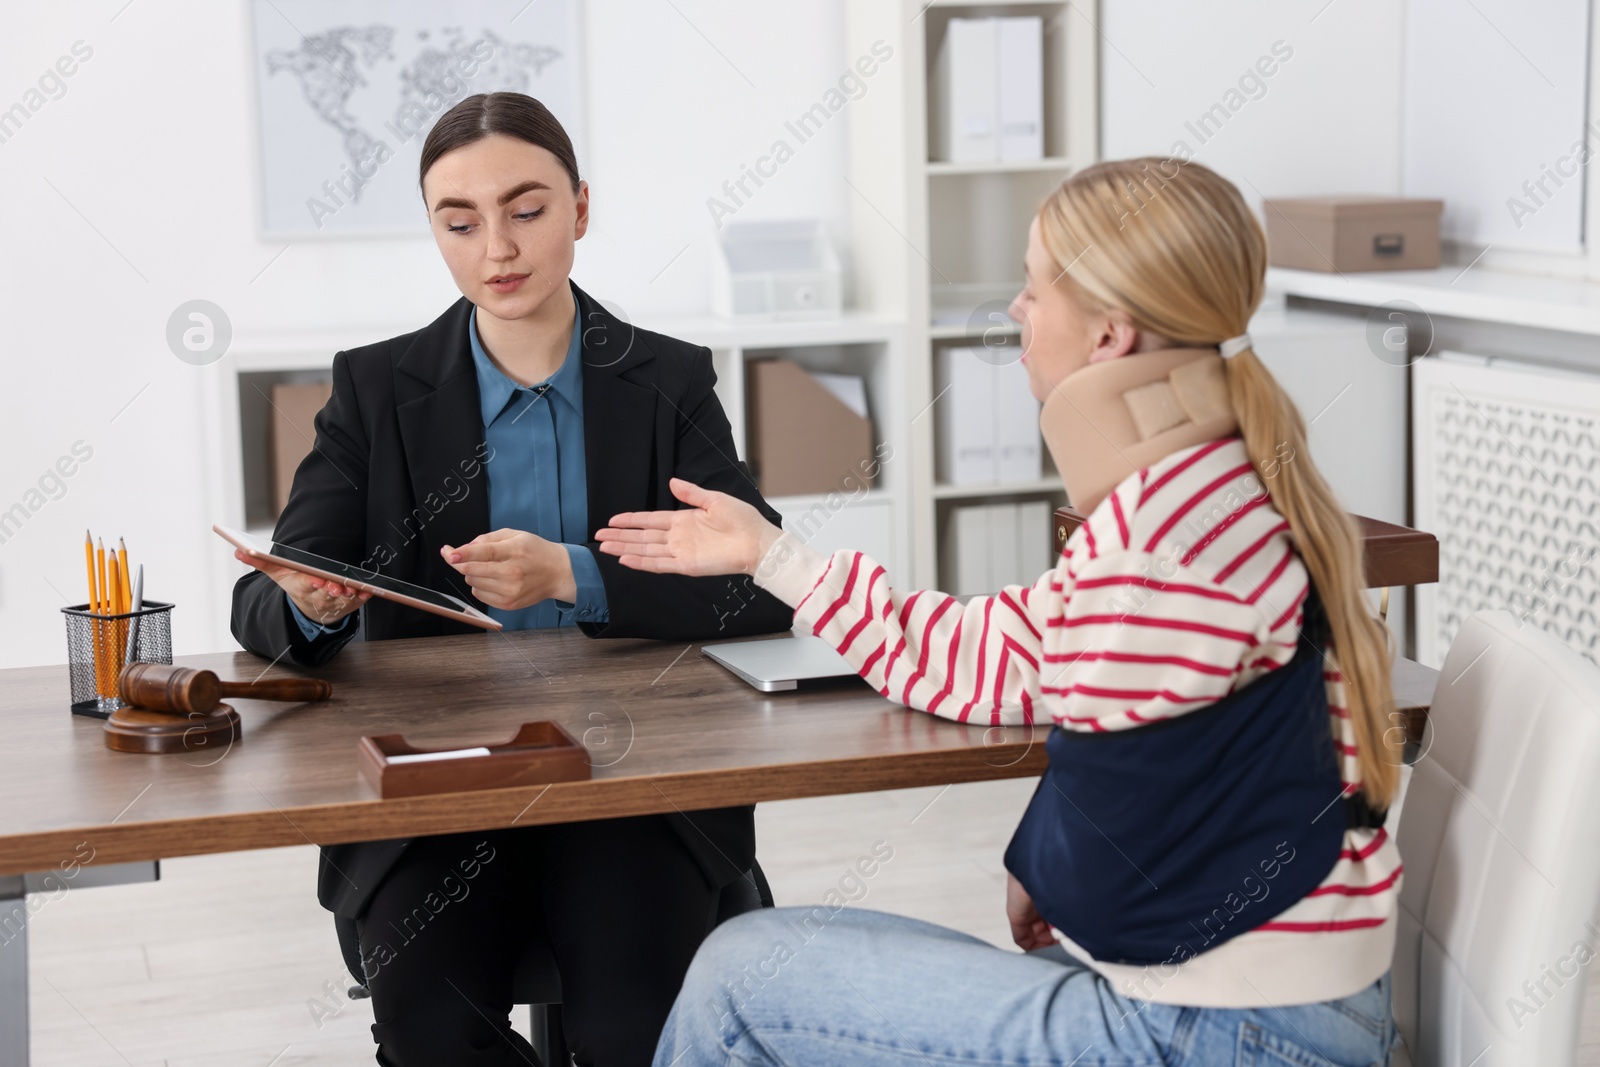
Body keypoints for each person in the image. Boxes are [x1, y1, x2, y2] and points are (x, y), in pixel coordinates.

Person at [598, 158, 1406, 1067]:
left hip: (1224, 1030)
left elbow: (1111, 823)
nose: (1016, 311)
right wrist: (773, 556)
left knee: (740, 979)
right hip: (1264, 1001)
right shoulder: (1207, 488)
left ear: (1110, 333)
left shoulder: (1162, 540)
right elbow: (1001, 653)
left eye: (1031, 286)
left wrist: (1043, 855)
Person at [229, 91, 792, 1066]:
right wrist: (306, 603)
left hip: (635, 783)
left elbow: (761, 584)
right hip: (438, 793)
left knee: (629, 1028)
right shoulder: (374, 388)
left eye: (526, 210)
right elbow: (263, 598)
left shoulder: (669, 379)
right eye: (460, 221)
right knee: (436, 1032)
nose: (497, 246)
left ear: (580, 206)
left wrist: (577, 574)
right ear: (435, 232)